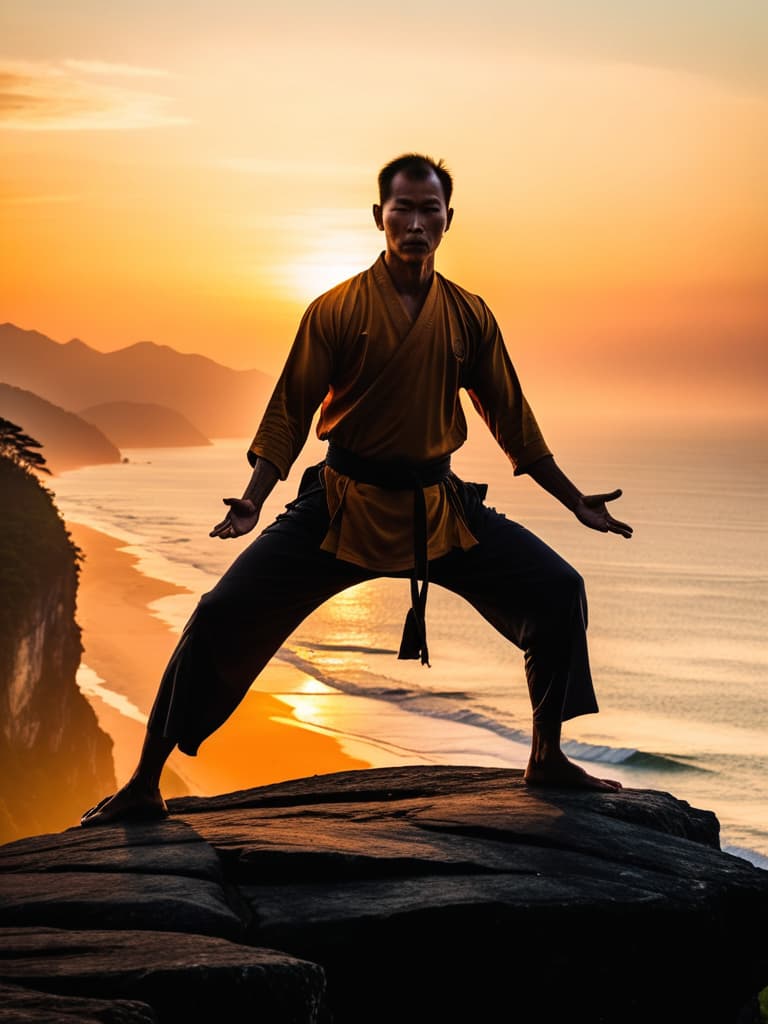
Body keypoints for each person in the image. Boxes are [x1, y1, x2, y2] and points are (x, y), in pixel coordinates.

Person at [81, 153, 632, 827]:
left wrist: (574, 500)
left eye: (430, 210)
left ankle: (546, 754)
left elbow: (512, 418)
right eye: (402, 208)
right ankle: (143, 781)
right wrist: (254, 498)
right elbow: (290, 408)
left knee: (555, 589)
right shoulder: (336, 309)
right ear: (379, 217)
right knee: (220, 616)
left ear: (449, 221)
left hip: (439, 511)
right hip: (340, 507)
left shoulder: (469, 315)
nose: (416, 222)